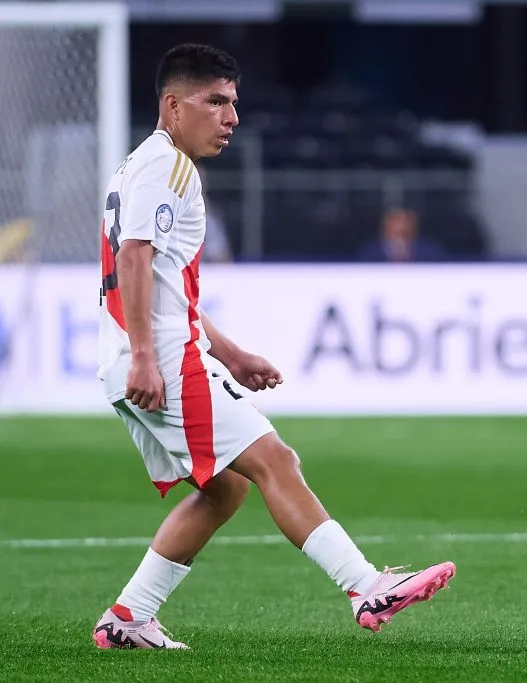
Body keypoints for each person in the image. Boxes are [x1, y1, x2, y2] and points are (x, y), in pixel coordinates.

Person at [94, 44, 455, 649]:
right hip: (160, 356)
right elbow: (135, 258)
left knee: (228, 485)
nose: (231, 117)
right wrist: (143, 356)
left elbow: (162, 282)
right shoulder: (168, 168)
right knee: (275, 461)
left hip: (152, 350)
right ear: (172, 105)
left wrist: (229, 353)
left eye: (234, 103)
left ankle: (129, 617)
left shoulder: (140, 165)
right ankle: (366, 586)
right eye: (216, 102)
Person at [355, 206, 447, 262]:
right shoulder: (369, 253)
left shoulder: (430, 252)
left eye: (407, 220)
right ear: (386, 224)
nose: (402, 226)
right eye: (397, 220)